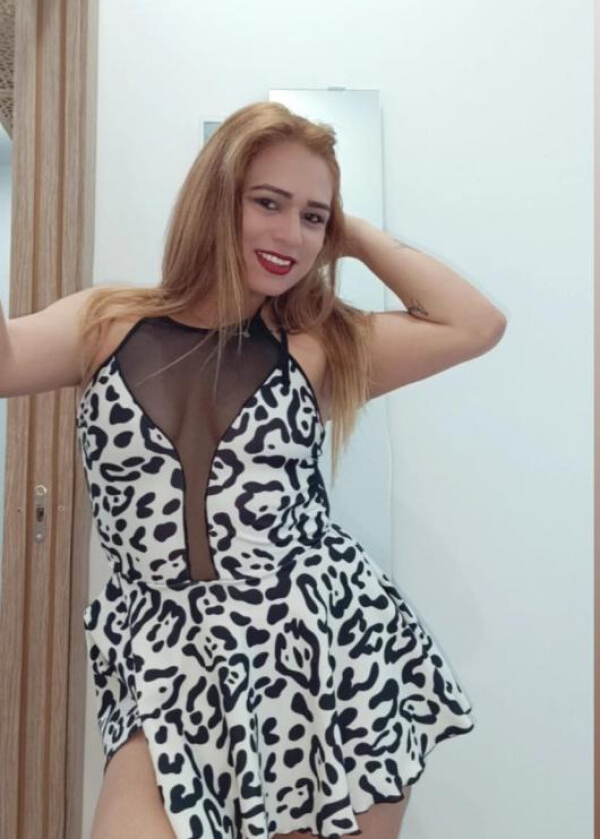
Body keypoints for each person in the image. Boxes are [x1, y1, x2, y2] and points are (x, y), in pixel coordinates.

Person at [0, 101, 507, 839]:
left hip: (323, 656)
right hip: (167, 663)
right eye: (268, 203)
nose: (291, 235)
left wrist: (352, 234)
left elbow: (476, 324)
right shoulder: (105, 322)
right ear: (217, 199)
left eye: (312, 217)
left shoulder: (321, 346)